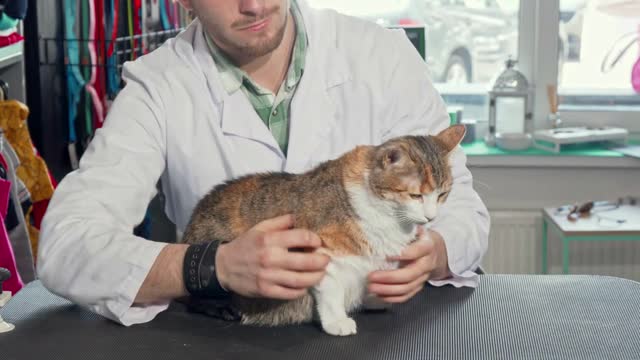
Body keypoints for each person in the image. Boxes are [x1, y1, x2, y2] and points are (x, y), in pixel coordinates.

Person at [37, 0, 490, 326]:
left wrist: (435, 254)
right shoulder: (157, 88)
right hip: (236, 336)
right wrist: (212, 266)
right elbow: (65, 247)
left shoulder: (382, 56)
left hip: (381, 332)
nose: (253, 6)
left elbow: (465, 210)